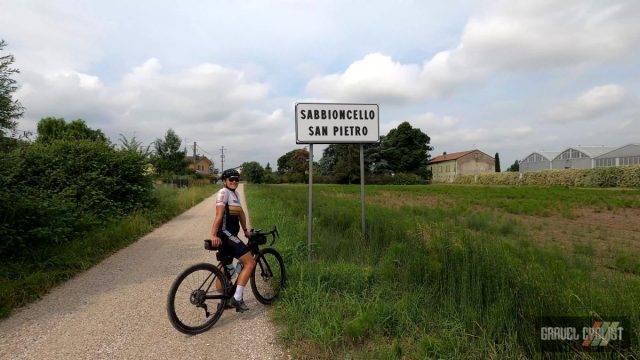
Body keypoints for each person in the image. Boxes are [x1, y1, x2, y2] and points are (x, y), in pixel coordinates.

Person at [210, 169, 256, 312]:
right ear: (225, 181)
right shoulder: (223, 193)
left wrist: (245, 230)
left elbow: (241, 213)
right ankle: (236, 298)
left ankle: (226, 299)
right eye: (231, 179)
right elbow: (219, 215)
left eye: (236, 179)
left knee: (226, 269)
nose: (234, 181)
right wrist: (213, 234)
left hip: (231, 234)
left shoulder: (235, 194)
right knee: (250, 262)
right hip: (225, 234)